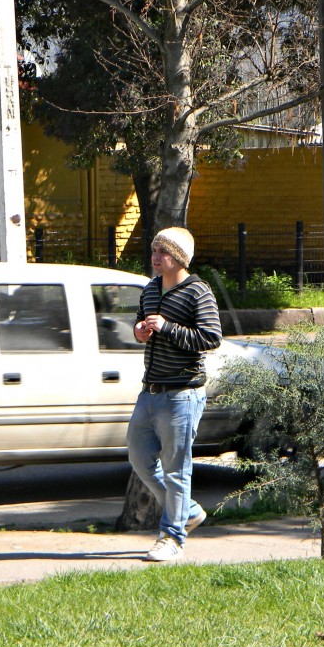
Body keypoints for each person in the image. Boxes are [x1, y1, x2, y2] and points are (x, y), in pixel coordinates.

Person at [127, 226, 222, 562]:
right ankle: (189, 511)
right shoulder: (151, 289)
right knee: (139, 458)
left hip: (183, 394)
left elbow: (211, 337)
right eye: (154, 251)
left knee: (176, 470)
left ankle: (172, 537)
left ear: (179, 259)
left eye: (163, 253)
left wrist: (167, 327)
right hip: (150, 390)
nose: (156, 258)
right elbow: (141, 326)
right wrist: (140, 332)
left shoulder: (198, 292)